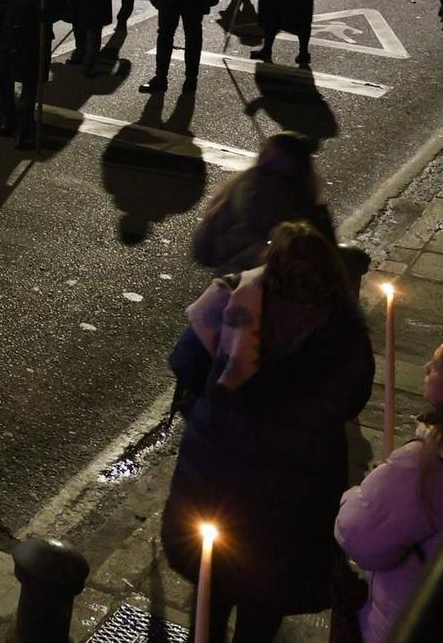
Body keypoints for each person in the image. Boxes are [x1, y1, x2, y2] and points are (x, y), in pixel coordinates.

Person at [161, 222, 373, 643]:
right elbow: (353, 399)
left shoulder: (232, 296)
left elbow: (186, 363)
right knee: (267, 592)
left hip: (218, 469)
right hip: (296, 493)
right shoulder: (344, 324)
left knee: (212, 586)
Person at [335, 331, 443, 643]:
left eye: (437, 366)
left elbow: (356, 534)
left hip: (406, 621)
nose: (427, 367)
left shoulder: (422, 469)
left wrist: (359, 491)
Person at [190, 132, 333, 274]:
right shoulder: (305, 205)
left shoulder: (240, 187)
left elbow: (204, 244)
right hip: (275, 283)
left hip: (235, 280)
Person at [0, 0, 66, 147]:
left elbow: (63, 6)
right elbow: (5, 1)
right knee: (3, 80)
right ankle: (8, 118)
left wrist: (48, 15)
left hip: (33, 38)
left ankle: (25, 128)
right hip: (10, 35)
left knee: (28, 85)